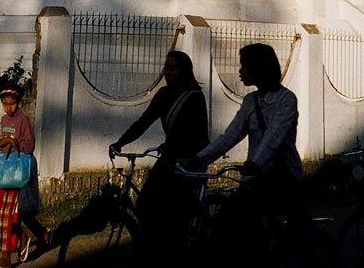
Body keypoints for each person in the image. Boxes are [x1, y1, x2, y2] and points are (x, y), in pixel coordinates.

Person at [182, 42, 306, 260]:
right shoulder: (250, 101)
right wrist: (200, 158)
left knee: (235, 215)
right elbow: (231, 135)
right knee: (232, 223)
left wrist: (255, 163)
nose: (240, 71)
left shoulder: (287, 99)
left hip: (281, 175)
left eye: (244, 66)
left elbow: (274, 137)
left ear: (260, 69)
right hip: (255, 177)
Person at [109, 50, 209, 265]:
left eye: (172, 68)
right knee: (145, 204)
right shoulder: (163, 94)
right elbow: (144, 121)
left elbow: (198, 134)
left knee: (173, 211)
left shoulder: (194, 96)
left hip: (188, 161)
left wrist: (175, 149)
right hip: (169, 158)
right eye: (166, 68)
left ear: (184, 71)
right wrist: (120, 143)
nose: (167, 73)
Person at [0, 84, 51, 268]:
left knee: (10, 215)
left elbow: (29, 146)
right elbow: (2, 144)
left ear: (18, 102)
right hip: (5, 170)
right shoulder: (3, 120)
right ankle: (33, 235)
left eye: (12, 104)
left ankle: (6, 259)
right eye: (5, 104)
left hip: (19, 171)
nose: (8, 107)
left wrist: (13, 142)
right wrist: (4, 141)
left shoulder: (23, 120)